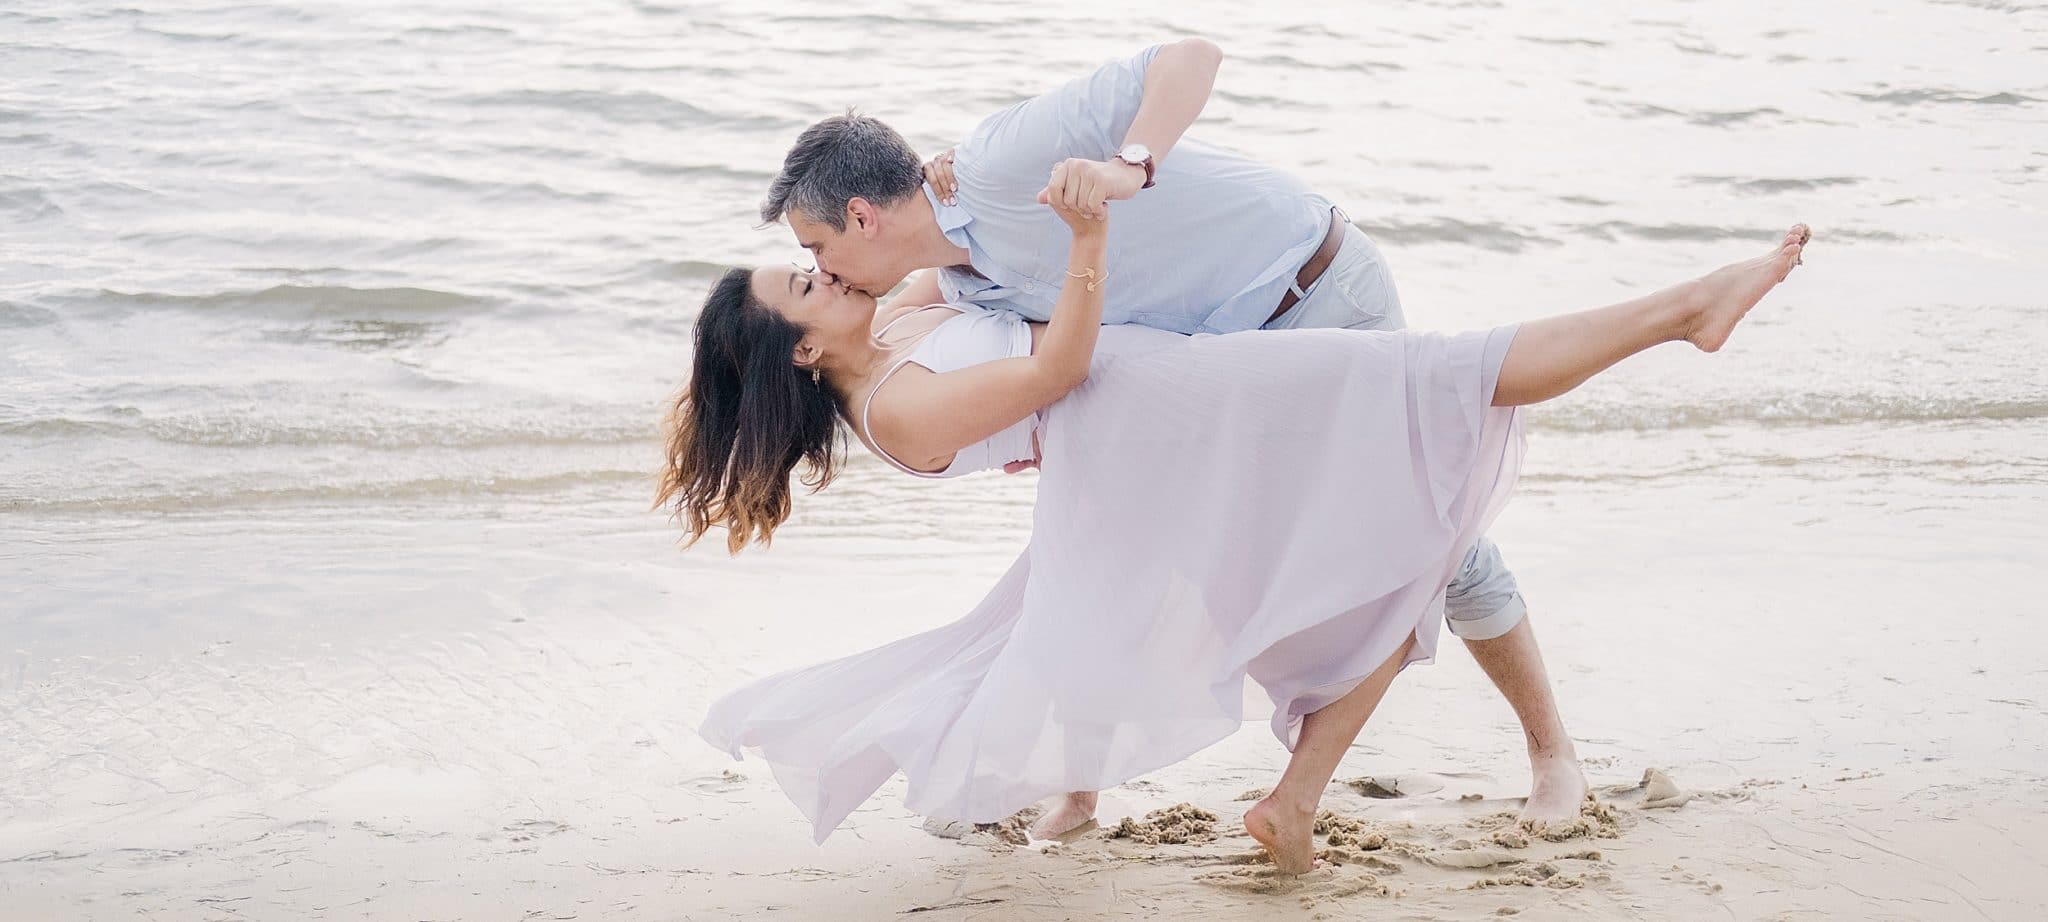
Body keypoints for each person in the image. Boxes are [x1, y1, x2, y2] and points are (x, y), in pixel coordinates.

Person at [663, 166, 1811, 870]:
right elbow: (1057, 365)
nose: (829, 272)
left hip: (1165, 428)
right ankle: (1681, 308)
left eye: (813, 258)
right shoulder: (899, 409)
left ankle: (1234, 796)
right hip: (1181, 415)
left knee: (1407, 513)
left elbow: (943, 259)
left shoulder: (894, 330)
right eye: (807, 283)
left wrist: (961, 194)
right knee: (1438, 386)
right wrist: (1092, 241)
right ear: (805, 350)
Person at [761, 39, 1589, 836]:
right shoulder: (958, 271)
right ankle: (1092, 788)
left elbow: (1189, 56)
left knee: (1436, 539)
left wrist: (1133, 165)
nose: (823, 271)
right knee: (1129, 572)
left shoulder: (999, 163)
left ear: (863, 215)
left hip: (1312, 292)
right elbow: (942, 364)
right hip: (1223, 362)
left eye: (818, 249)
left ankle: (1553, 756)